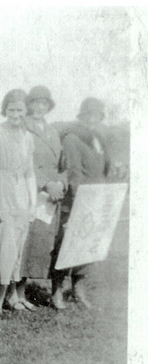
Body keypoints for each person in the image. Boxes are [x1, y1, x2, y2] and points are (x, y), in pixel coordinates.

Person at [0, 89, 37, 315]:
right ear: (5, 109)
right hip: (0, 193)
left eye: (20, 109)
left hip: (21, 196)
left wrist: (32, 204)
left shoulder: (28, 137)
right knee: (2, 248)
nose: (15, 114)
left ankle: (5, 298)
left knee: (16, 250)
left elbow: (30, 173)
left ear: (26, 111)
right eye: (11, 109)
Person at [51, 97, 110, 309]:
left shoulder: (98, 139)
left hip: (96, 199)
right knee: (67, 245)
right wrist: (79, 202)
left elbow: (103, 169)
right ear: (82, 116)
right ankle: (56, 291)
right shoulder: (72, 138)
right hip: (77, 201)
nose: (92, 119)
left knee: (87, 247)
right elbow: (74, 172)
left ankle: (78, 290)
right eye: (89, 115)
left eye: (96, 115)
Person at [21, 86, 67, 308]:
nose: (39, 107)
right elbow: (23, 161)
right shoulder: (22, 127)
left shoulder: (53, 132)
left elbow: (62, 165)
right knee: (25, 240)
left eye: (44, 103)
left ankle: (25, 289)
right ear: (28, 105)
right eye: (35, 102)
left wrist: (60, 183)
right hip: (30, 191)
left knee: (42, 242)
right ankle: (15, 292)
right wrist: (45, 183)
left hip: (50, 198)